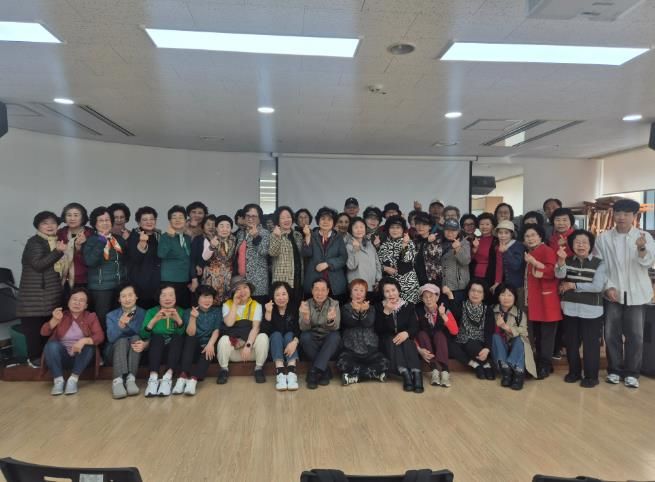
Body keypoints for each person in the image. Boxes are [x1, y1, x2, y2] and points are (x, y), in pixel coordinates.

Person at [595, 198, 655, 389]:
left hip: (637, 293)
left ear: (634, 216)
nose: (622, 217)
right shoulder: (603, 238)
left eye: (627, 214)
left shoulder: (644, 236)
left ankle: (632, 372)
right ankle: (614, 370)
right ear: (614, 215)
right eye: (618, 213)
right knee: (611, 333)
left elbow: (648, 263)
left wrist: (641, 248)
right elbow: (599, 265)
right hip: (613, 292)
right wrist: (608, 286)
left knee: (635, 335)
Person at [555, 230, 607, 388]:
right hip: (570, 309)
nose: (581, 245)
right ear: (572, 245)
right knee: (571, 343)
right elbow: (559, 275)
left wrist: (573, 285)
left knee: (591, 345)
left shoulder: (599, 263)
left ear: (591, 245)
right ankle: (574, 372)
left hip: (592, 311)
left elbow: (597, 287)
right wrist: (561, 261)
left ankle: (591, 376)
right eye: (577, 242)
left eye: (585, 242)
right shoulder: (567, 260)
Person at [16, 211, 66, 368]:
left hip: (49, 295)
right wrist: (58, 252)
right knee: (34, 331)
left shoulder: (55, 241)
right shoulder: (35, 242)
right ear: (38, 226)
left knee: (47, 329)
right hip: (34, 297)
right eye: (45, 223)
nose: (49, 226)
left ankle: (47, 359)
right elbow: (38, 264)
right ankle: (34, 359)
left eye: (53, 223)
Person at [41, 288, 104, 395]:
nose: (77, 303)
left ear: (86, 305)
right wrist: (54, 320)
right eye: (74, 299)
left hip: (82, 357)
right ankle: (58, 381)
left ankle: (73, 380)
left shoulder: (90, 317)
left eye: (81, 300)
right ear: (68, 302)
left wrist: (83, 341)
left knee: (89, 346)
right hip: (63, 358)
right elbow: (44, 332)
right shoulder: (61, 315)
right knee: (51, 345)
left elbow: (100, 336)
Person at [522, 224, 562, 379]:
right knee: (538, 335)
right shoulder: (531, 251)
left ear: (540, 236)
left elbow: (553, 272)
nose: (530, 238)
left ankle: (545, 365)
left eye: (533, 235)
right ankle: (542, 364)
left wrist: (534, 262)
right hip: (535, 300)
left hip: (547, 300)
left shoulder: (546, 250)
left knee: (547, 336)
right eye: (527, 236)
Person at [216, 276, 269, 384]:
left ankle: (258, 368)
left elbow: (255, 328)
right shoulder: (227, 305)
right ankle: (224, 370)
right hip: (234, 352)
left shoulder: (256, 305)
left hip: (250, 352)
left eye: (245, 287)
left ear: (249, 289)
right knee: (223, 340)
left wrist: (248, 345)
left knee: (263, 337)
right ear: (233, 292)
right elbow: (229, 323)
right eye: (238, 289)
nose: (242, 291)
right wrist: (235, 304)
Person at [83, 206, 128, 332]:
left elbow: (126, 260)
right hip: (101, 287)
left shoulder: (118, 239)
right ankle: (101, 344)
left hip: (119, 285)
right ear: (94, 224)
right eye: (101, 220)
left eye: (107, 220)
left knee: (118, 319)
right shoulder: (91, 240)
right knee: (102, 320)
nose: (105, 223)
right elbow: (90, 261)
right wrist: (101, 241)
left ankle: (115, 343)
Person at [375, 277, 423, 393]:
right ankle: (405, 374)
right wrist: (386, 312)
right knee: (393, 340)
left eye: (393, 290)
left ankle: (416, 374)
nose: (391, 294)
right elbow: (378, 330)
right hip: (387, 340)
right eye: (387, 291)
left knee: (407, 342)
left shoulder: (408, 306)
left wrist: (407, 333)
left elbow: (414, 326)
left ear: (398, 291)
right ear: (383, 293)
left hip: (405, 339)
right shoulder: (379, 307)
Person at [173, 285, 222, 396]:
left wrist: (210, 344)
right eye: (204, 297)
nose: (207, 300)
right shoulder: (188, 312)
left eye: (210, 297)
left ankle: (193, 380)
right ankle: (182, 377)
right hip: (193, 347)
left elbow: (216, 330)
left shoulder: (217, 311)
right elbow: (190, 333)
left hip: (208, 344)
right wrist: (193, 317)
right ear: (197, 298)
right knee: (190, 339)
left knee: (210, 349)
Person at [337, 279, 389, 385]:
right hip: (351, 350)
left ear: (365, 294)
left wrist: (364, 311)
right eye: (355, 290)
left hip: (370, 350)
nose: (358, 293)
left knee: (386, 363)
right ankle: (373, 374)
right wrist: (357, 311)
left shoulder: (372, 308)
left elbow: (367, 323)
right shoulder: (345, 308)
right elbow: (350, 322)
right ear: (350, 294)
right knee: (341, 364)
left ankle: (355, 377)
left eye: (362, 290)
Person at [443, 282, 495, 380]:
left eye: (479, 292)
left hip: (478, 341)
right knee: (449, 345)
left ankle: (485, 364)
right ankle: (477, 365)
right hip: (460, 339)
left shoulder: (488, 310)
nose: (475, 294)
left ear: (484, 295)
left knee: (470, 344)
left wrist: (487, 348)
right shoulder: (462, 305)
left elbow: (489, 331)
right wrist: (450, 295)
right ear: (468, 292)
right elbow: (454, 312)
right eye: (473, 290)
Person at [140, 285, 186, 397]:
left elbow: (183, 334)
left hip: (174, 351)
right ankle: (153, 378)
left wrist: (178, 320)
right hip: (156, 350)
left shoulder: (181, 311)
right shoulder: (151, 312)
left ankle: (167, 378)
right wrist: (154, 320)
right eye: (164, 295)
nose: (167, 298)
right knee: (157, 337)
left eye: (171, 295)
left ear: (175, 297)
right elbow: (143, 335)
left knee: (177, 337)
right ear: (158, 298)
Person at [105, 285, 146, 399]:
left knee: (136, 338)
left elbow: (144, 334)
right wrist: (120, 326)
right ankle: (117, 380)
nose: (127, 299)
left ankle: (130, 379)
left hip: (135, 352)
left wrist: (129, 323)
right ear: (119, 299)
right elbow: (111, 338)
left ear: (136, 296)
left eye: (130, 295)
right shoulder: (111, 315)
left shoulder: (143, 313)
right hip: (114, 352)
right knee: (122, 340)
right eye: (123, 296)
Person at [299, 279, 341, 389]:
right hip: (312, 341)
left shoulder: (334, 303)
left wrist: (330, 320)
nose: (320, 293)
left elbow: (336, 326)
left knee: (335, 336)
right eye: (316, 289)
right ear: (312, 291)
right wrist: (306, 317)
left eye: (323, 290)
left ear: (328, 291)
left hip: (327, 341)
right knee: (305, 336)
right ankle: (325, 370)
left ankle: (313, 372)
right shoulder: (305, 304)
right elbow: (302, 328)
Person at [415, 284, 458, 387]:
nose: (428, 299)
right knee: (421, 334)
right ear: (422, 299)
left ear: (437, 297)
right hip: (426, 344)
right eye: (425, 297)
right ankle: (434, 370)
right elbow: (413, 333)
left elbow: (455, 331)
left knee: (439, 334)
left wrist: (443, 315)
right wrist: (419, 349)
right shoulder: (418, 311)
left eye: (431, 296)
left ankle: (445, 371)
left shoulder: (444, 309)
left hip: (442, 344)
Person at [302, 206, 348, 301]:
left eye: (329, 219)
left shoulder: (338, 238)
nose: (326, 222)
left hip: (334, 283)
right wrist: (307, 236)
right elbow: (306, 254)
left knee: (334, 308)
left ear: (334, 222)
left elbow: (343, 258)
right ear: (318, 221)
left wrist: (328, 264)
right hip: (313, 280)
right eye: (323, 219)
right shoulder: (311, 234)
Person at [262, 281, 300, 391]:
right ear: (273, 297)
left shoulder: (294, 307)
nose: (281, 298)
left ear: (288, 295)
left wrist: (295, 342)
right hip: (275, 345)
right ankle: (280, 373)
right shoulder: (269, 308)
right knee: (276, 335)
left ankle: (292, 373)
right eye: (277, 295)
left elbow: (298, 328)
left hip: (291, 343)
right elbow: (264, 331)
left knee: (289, 335)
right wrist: (268, 313)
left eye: (284, 294)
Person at [377, 215, 420, 304]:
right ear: (388, 229)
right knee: (393, 310)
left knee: (409, 310)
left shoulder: (409, 242)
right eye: (392, 227)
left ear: (403, 229)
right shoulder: (384, 245)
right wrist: (385, 268)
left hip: (408, 286)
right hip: (391, 288)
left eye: (398, 227)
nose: (395, 230)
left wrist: (404, 245)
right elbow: (377, 264)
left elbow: (407, 259)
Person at [235, 203, 270, 304]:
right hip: (242, 283)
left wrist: (256, 237)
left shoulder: (265, 233)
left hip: (258, 283)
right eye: (248, 216)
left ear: (259, 218)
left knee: (257, 310)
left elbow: (264, 252)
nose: (250, 219)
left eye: (254, 216)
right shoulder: (240, 233)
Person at [158, 205, 192, 309]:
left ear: (185, 220)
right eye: (174, 217)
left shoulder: (187, 238)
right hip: (169, 280)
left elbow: (189, 258)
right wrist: (170, 237)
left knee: (183, 309)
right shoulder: (165, 236)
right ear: (170, 221)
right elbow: (161, 254)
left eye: (181, 217)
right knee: (169, 309)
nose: (177, 220)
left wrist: (192, 278)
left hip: (185, 280)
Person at [126, 206, 161, 309]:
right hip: (140, 283)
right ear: (138, 222)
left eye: (152, 219)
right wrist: (142, 243)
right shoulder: (134, 236)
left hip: (156, 282)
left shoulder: (158, 235)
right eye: (145, 219)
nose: (149, 222)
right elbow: (135, 258)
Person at [57, 203, 93, 297]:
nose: (72, 218)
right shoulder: (60, 233)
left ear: (83, 217)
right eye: (69, 215)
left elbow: (91, 261)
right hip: (62, 279)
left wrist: (80, 248)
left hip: (84, 280)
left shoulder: (91, 234)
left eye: (76, 215)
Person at [269, 206, 304, 302]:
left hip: (298, 278)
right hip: (282, 280)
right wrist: (277, 237)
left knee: (296, 305)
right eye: (282, 218)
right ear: (278, 220)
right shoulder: (273, 235)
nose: (286, 220)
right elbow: (273, 253)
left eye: (288, 217)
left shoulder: (298, 235)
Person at [201, 215, 236, 306]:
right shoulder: (209, 239)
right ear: (216, 228)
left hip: (227, 277)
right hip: (212, 277)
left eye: (228, 226)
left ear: (231, 229)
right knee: (211, 301)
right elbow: (205, 257)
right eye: (221, 226)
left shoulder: (234, 240)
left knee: (226, 302)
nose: (225, 229)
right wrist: (212, 246)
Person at [345, 217, 382, 301]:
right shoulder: (348, 246)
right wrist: (355, 250)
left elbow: (377, 263)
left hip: (372, 286)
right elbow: (351, 266)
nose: (359, 230)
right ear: (351, 230)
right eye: (356, 227)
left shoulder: (369, 243)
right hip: (357, 288)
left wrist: (378, 280)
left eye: (361, 227)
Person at [440, 219, 471, 305]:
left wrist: (458, 249)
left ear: (458, 231)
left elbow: (466, 261)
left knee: (457, 310)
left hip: (459, 287)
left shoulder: (464, 243)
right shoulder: (439, 243)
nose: (450, 233)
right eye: (447, 230)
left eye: (453, 230)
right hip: (444, 286)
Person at [494, 220, 525, 295]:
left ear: (511, 234)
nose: (503, 235)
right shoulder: (498, 246)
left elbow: (516, 265)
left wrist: (506, 251)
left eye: (506, 233)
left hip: (518, 285)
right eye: (500, 233)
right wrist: (497, 282)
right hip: (505, 286)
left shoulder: (518, 245)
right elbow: (499, 266)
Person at [413, 212, 443, 287]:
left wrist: (429, 242)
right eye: (418, 224)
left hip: (432, 280)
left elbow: (436, 256)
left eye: (424, 224)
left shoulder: (436, 240)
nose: (420, 227)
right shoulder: (415, 241)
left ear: (430, 226)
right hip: (416, 280)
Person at [189, 215, 216, 295]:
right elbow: (192, 260)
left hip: (217, 277)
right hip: (201, 276)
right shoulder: (198, 239)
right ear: (203, 226)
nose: (211, 227)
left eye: (214, 224)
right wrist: (194, 278)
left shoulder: (220, 239)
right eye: (208, 224)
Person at [470, 212, 498, 288]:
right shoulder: (475, 239)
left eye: (487, 224)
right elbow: (469, 260)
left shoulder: (496, 241)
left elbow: (499, 263)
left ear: (492, 226)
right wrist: (474, 250)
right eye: (481, 224)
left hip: (490, 276)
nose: (484, 227)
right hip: (474, 275)